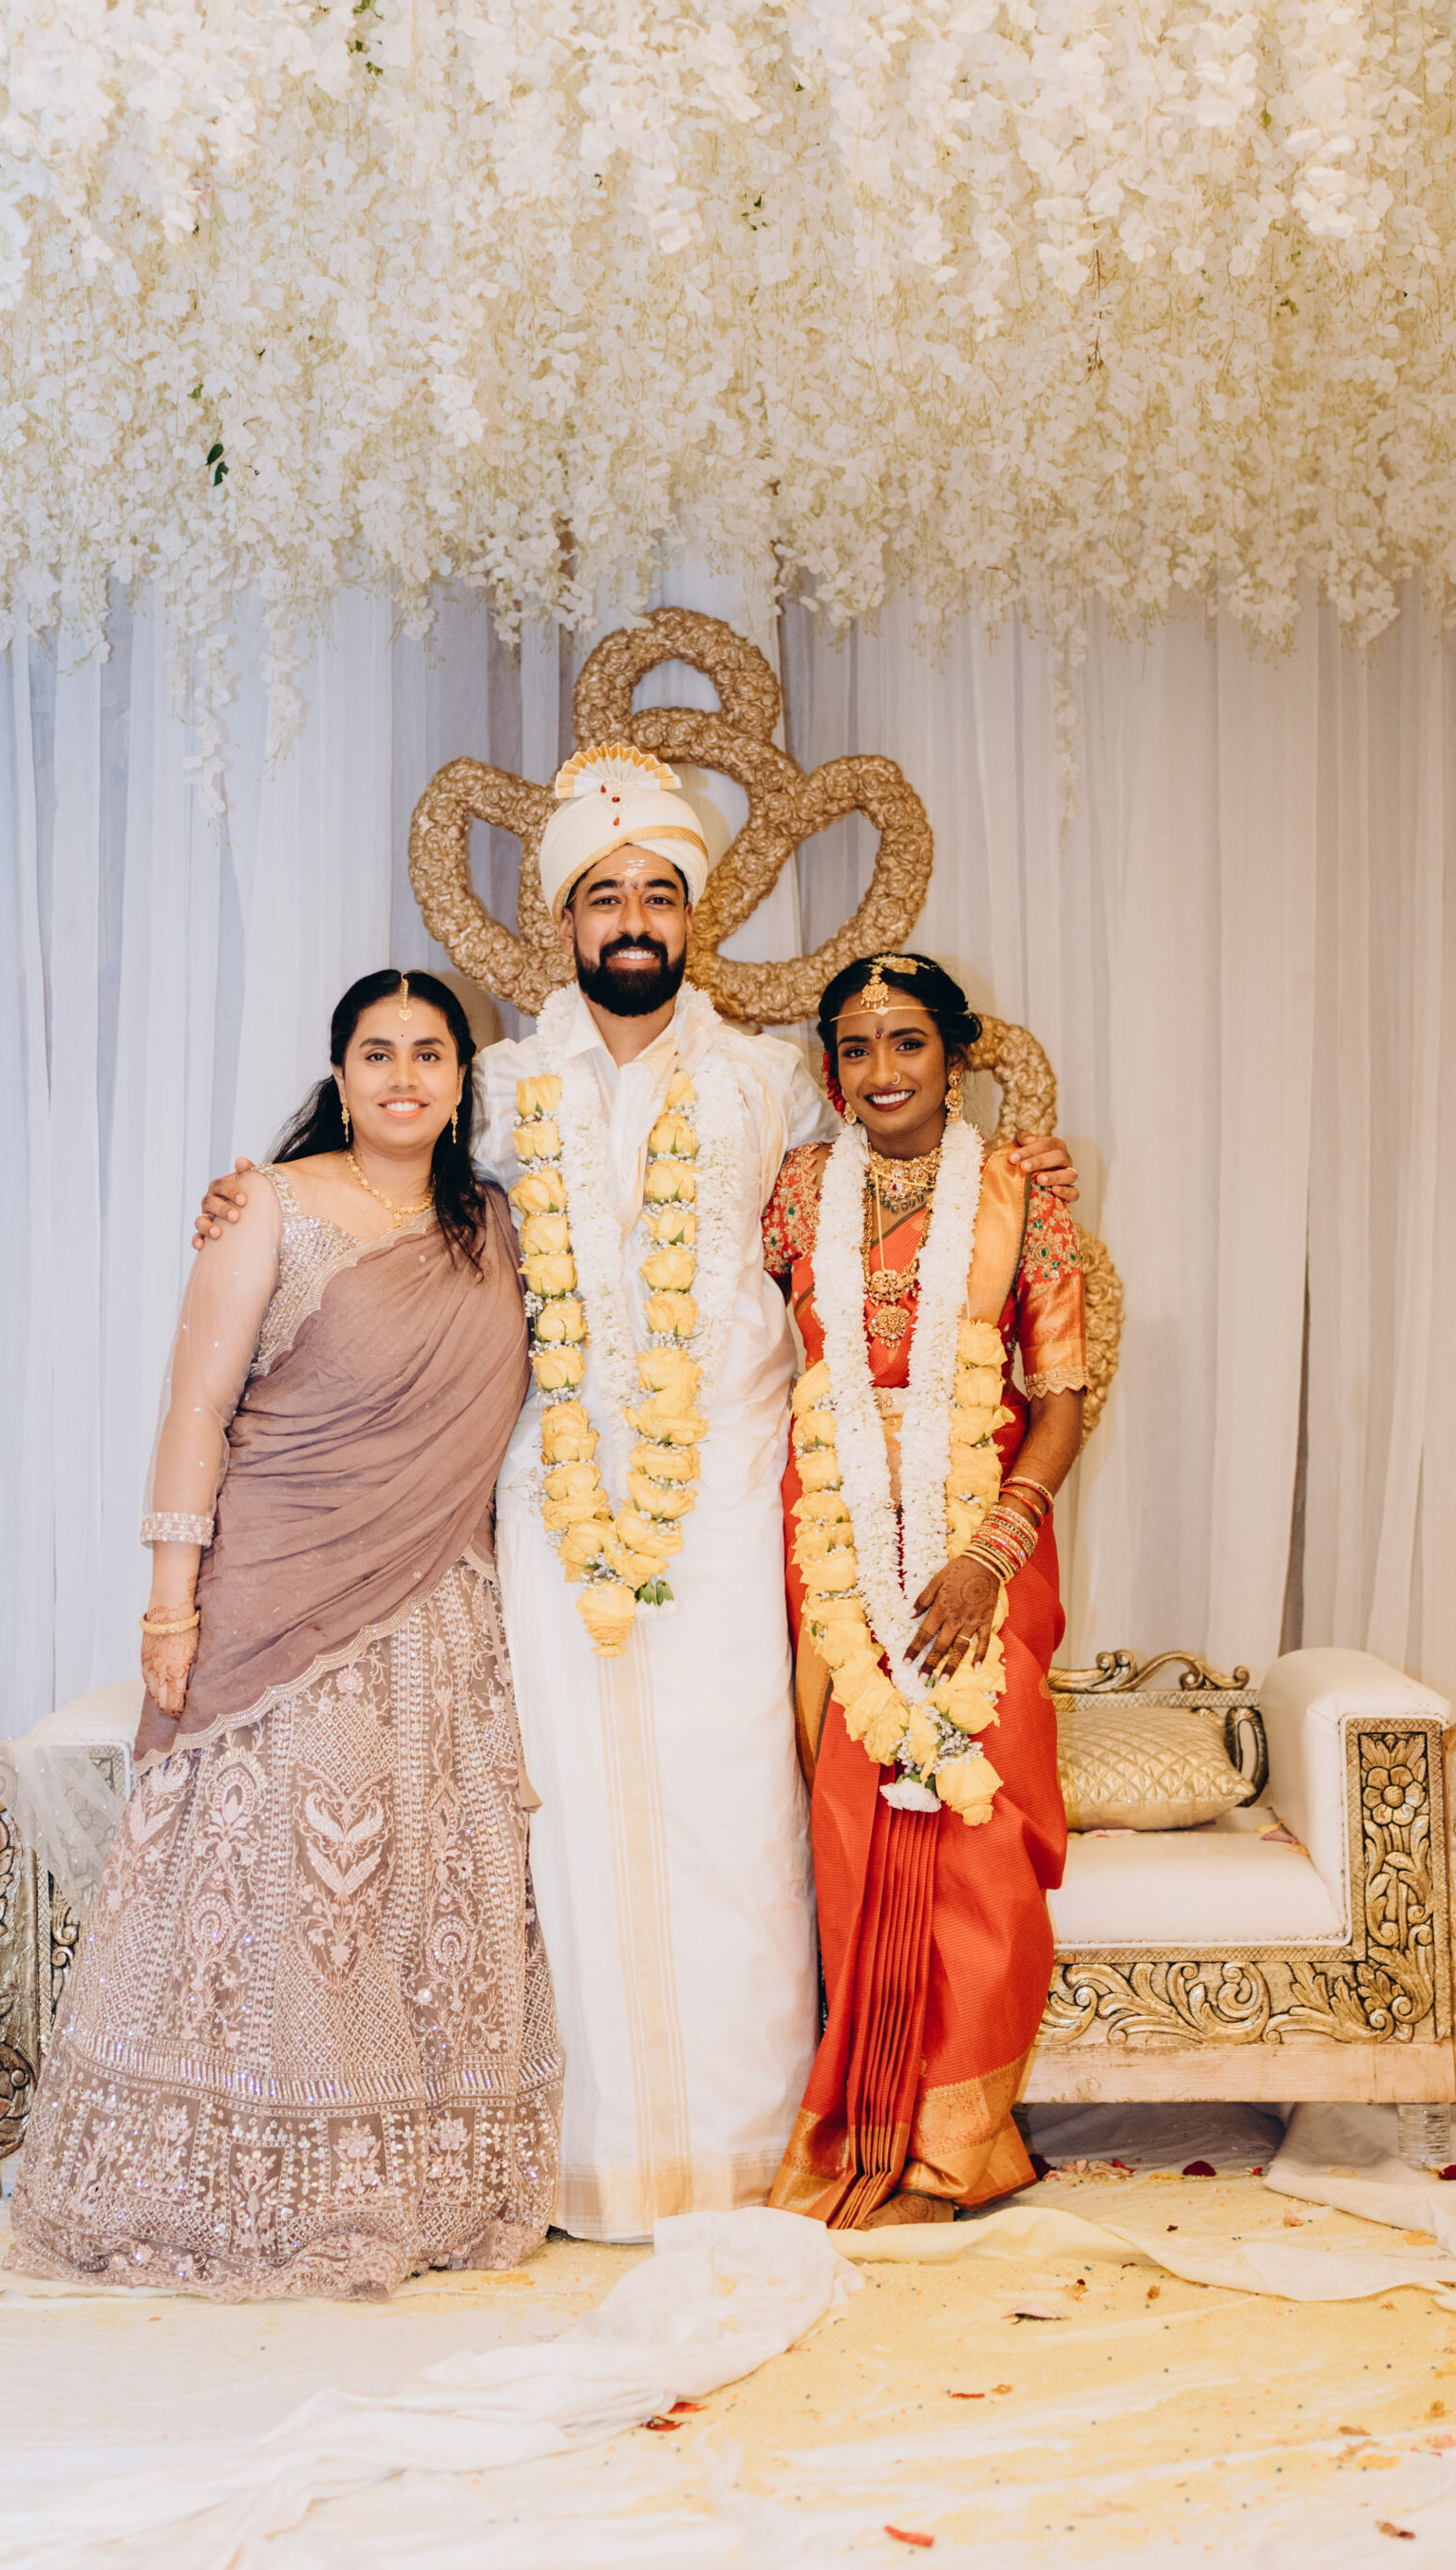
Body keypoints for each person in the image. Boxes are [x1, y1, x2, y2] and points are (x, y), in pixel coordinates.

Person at [195, 760, 1075, 2243]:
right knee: (569, 1823)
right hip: (549, 1495)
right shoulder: (500, 1085)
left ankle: (740, 2155)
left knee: (734, 1815)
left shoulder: (770, 1080)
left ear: (691, 917)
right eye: (604, 895)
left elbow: (896, 1181)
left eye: (659, 893)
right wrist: (259, 1197)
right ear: (564, 920)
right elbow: (387, 1179)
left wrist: (1021, 1171)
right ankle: (587, 2163)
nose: (633, 918)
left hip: (724, 1490)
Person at [9, 969, 562, 2299]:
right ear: (340, 1072)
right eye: (378, 1053)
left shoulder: (497, 1222)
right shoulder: (268, 1202)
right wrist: (170, 1600)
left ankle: (408, 2181)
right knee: (282, 1890)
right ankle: (234, 2180)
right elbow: (196, 1409)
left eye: (429, 1054)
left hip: (440, 1599)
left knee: (415, 1886)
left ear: (462, 1081)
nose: (404, 1077)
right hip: (274, 1584)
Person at [761, 951, 1086, 2229]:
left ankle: (958, 2149)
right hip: (832, 1529)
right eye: (857, 1047)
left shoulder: (1021, 1189)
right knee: (854, 1825)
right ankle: (868, 2133)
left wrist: (988, 1555)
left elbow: (1061, 1397)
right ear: (830, 1068)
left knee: (980, 1827)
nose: (882, 1070)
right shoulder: (797, 1190)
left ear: (955, 1058)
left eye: (907, 1043)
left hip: (981, 1541)